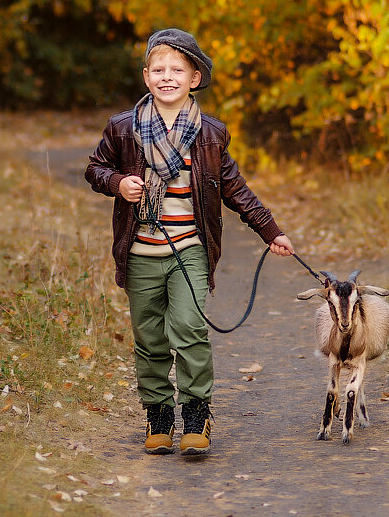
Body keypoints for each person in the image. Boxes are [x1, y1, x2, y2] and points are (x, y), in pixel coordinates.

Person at [85, 28, 295, 455]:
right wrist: (118, 182)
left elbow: (235, 189)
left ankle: (197, 414)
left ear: (194, 78)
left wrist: (270, 231)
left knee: (189, 328)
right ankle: (159, 415)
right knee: (150, 338)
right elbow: (95, 168)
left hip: (190, 250)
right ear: (146, 77)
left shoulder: (210, 134)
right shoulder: (123, 128)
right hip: (141, 250)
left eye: (177, 69)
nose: (167, 76)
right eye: (158, 69)